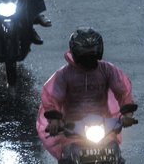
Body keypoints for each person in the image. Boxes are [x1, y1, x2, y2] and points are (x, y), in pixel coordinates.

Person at [36, 27, 137, 163]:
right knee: (68, 157)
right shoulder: (64, 74)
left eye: (92, 56)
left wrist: (127, 115)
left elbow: (123, 90)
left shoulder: (107, 70)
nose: (89, 60)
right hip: (72, 128)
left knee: (115, 155)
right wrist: (54, 121)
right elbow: (52, 97)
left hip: (104, 125)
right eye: (85, 57)